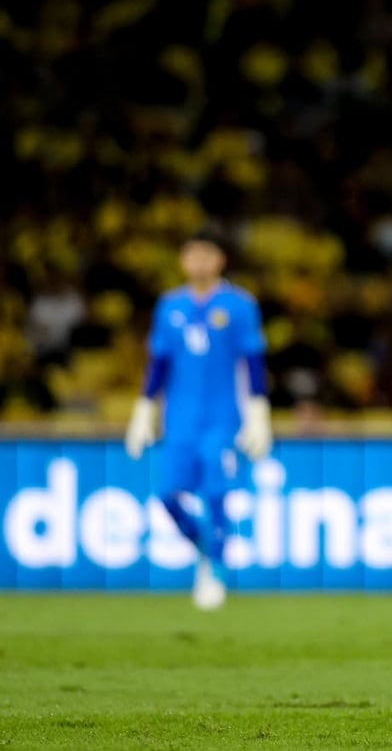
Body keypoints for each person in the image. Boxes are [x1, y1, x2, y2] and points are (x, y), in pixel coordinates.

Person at [125, 231, 272, 610]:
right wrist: (144, 410)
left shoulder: (239, 305)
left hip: (224, 418)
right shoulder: (169, 306)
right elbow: (158, 363)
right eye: (191, 254)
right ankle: (207, 550)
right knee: (166, 496)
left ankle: (216, 571)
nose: (198, 262)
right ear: (182, 260)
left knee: (217, 492)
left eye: (206, 254)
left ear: (219, 259)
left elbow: (253, 362)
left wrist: (259, 413)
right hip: (180, 420)